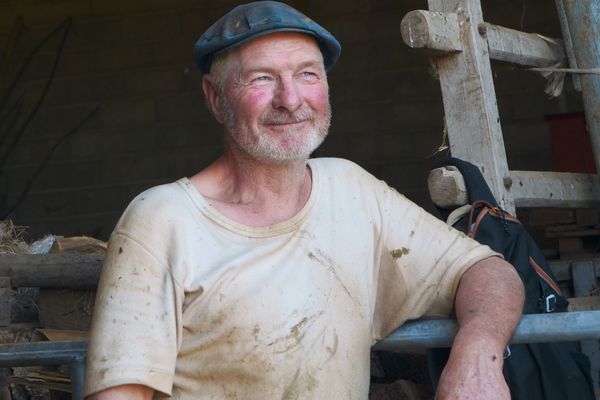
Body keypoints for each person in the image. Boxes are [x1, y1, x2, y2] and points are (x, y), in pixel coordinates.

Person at [84, 2, 524, 399]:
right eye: (261, 78)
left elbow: (486, 269)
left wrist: (478, 355)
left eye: (307, 74)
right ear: (216, 98)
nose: (290, 99)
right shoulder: (162, 219)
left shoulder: (350, 189)